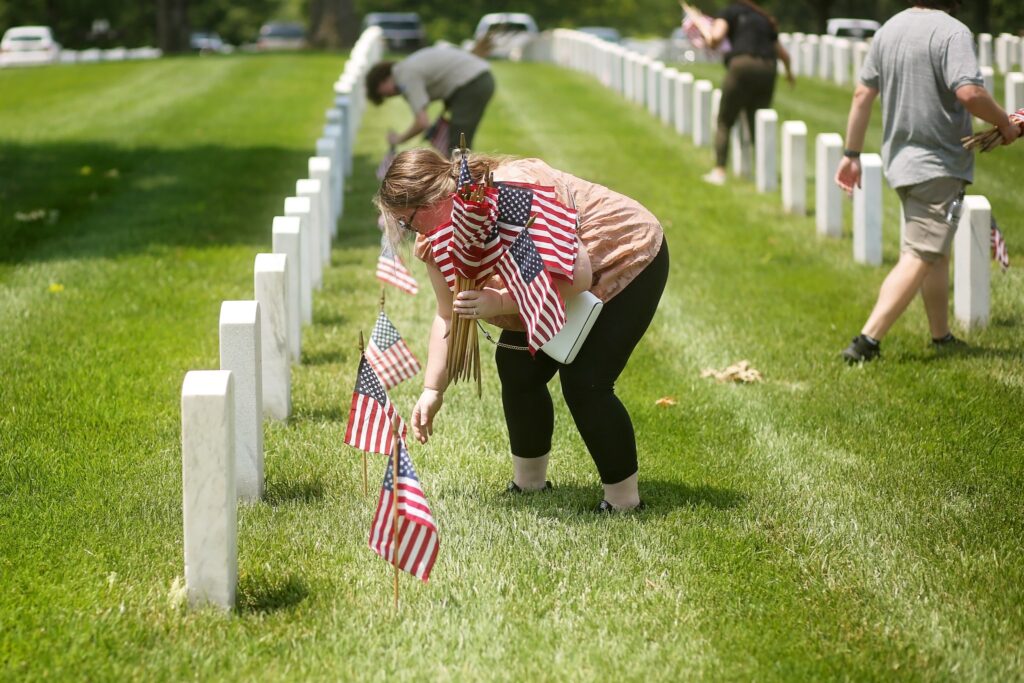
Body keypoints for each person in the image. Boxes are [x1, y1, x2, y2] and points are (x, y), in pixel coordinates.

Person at [375, 149, 668, 512]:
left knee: (586, 382)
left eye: (407, 221)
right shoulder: (436, 238)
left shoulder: (513, 195)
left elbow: (575, 277)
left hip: (624, 254)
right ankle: (528, 483)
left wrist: (498, 302)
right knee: (517, 369)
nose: (408, 230)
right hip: (547, 282)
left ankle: (623, 501)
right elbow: (448, 316)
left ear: (433, 197)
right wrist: (432, 389)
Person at [835, 0, 1020, 364]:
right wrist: (1004, 123)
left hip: (901, 162)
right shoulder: (952, 32)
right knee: (921, 253)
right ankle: (866, 343)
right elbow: (969, 93)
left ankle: (941, 336)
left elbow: (862, 94)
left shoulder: (888, 29)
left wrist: (851, 154)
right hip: (937, 163)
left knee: (934, 253)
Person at [702, 0, 793, 186]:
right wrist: (790, 75)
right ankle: (764, 174)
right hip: (768, 69)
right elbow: (783, 54)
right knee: (758, 123)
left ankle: (719, 171)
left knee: (725, 120)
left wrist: (709, 39)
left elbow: (717, 36)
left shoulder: (729, 12)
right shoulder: (764, 18)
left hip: (742, 66)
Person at [365, 45, 495, 155]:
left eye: (382, 94)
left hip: (473, 83)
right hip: (474, 81)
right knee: (457, 143)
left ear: (381, 82)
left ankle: (460, 182)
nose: (387, 97)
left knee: (458, 144)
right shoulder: (404, 69)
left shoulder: (405, 76)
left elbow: (422, 122)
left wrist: (398, 139)